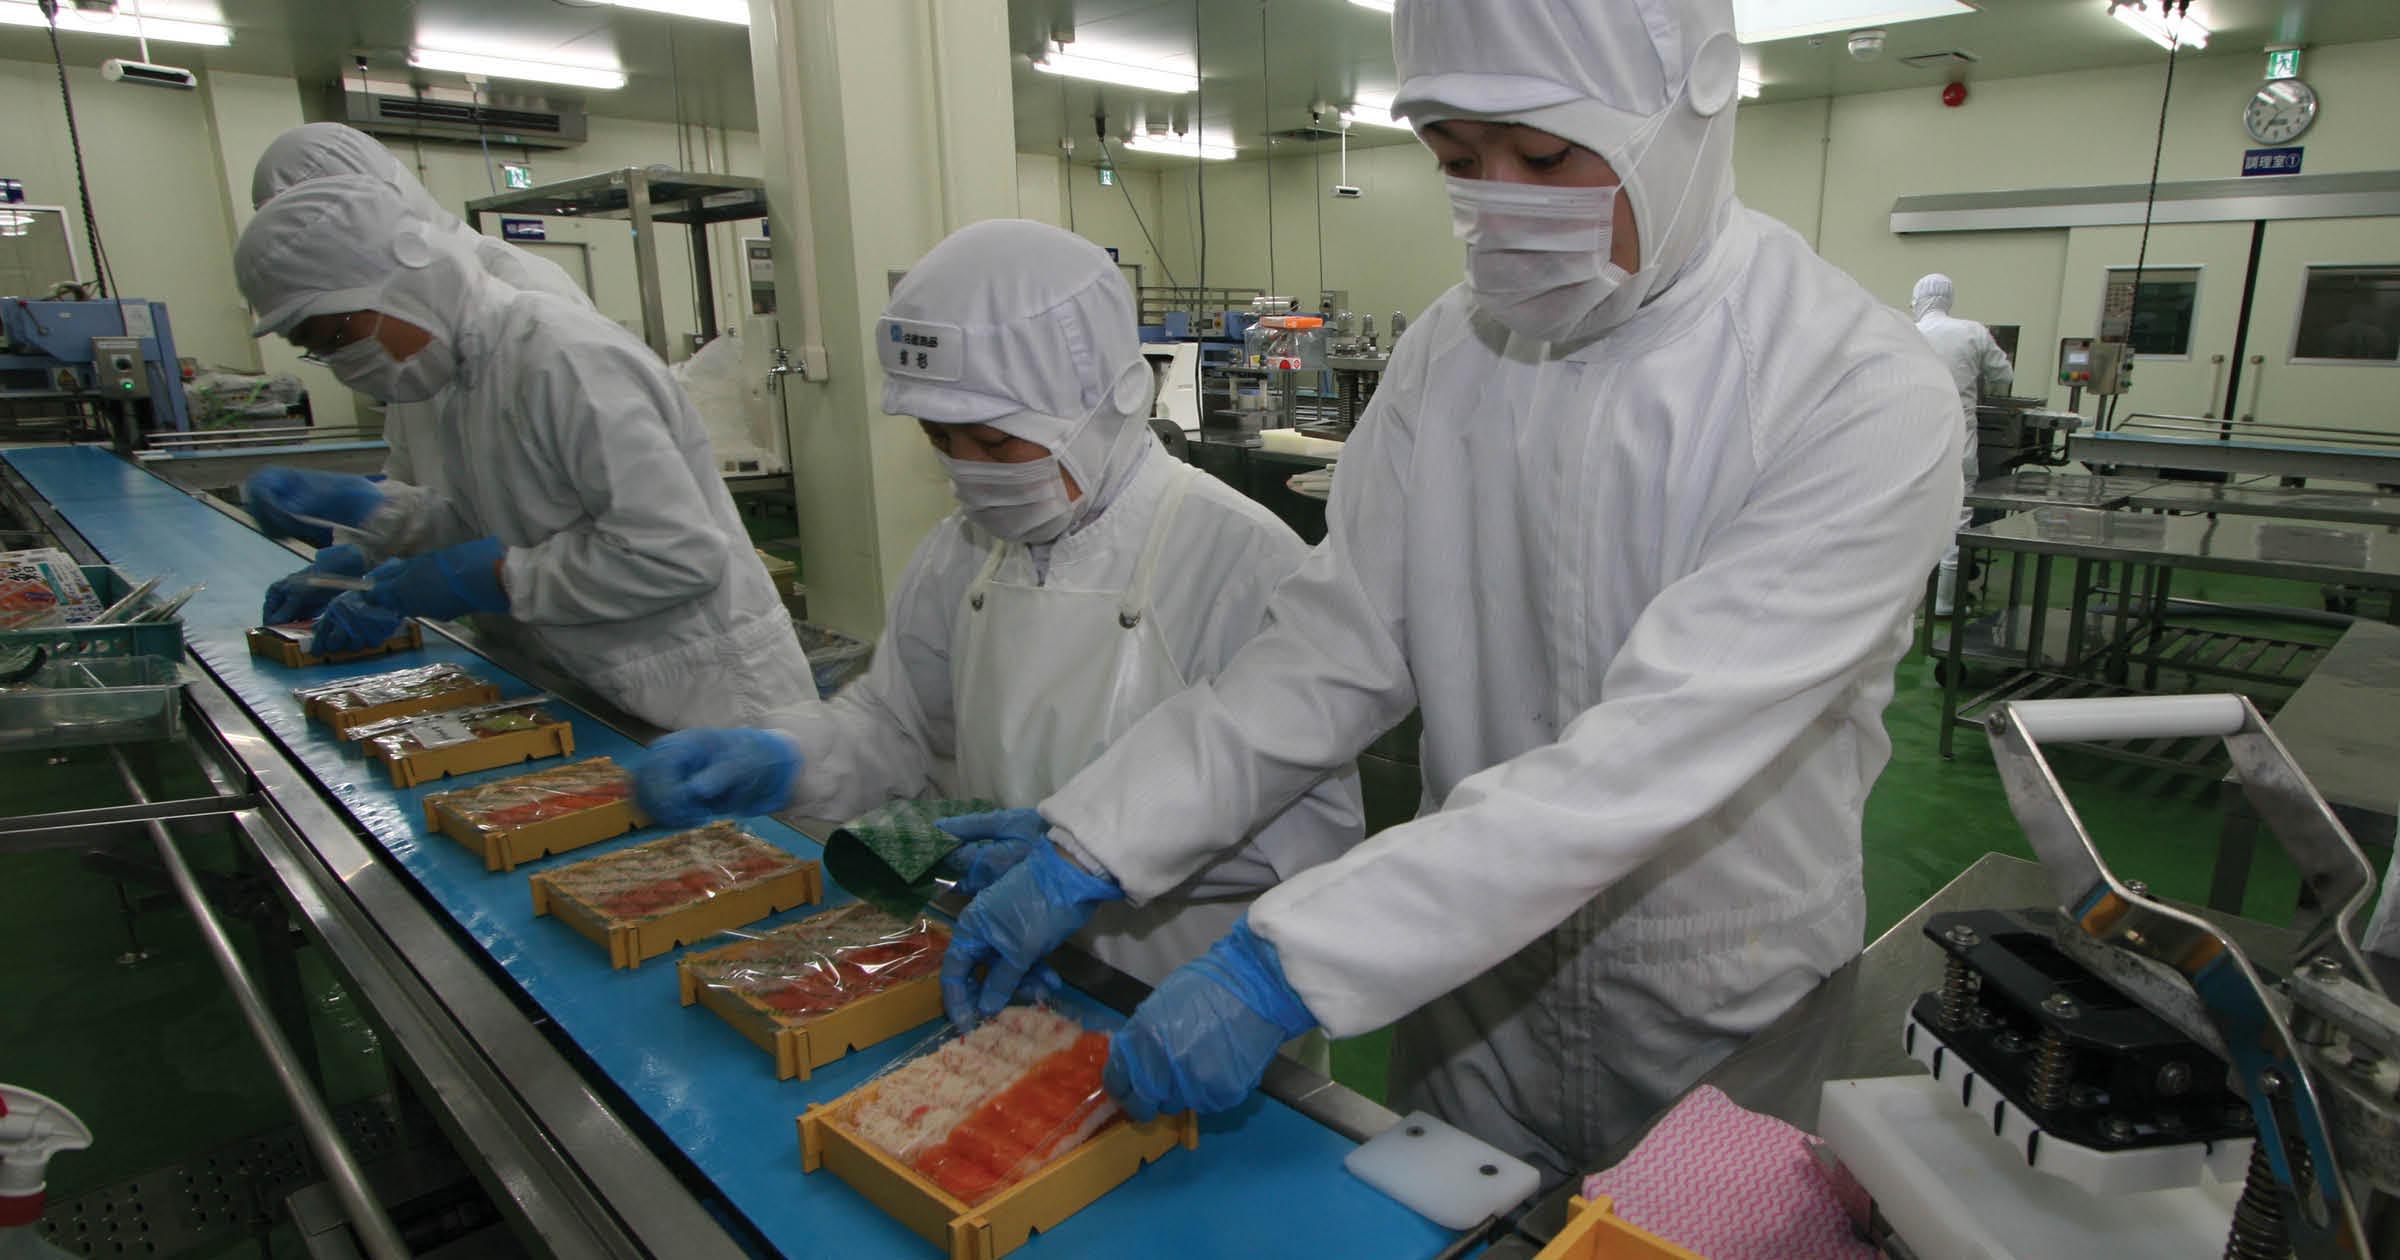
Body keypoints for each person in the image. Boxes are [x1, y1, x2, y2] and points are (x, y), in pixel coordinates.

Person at [936, 0, 1962, 1182]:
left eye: (1544, 155)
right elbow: (1330, 651)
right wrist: (1102, 837)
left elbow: (1644, 757)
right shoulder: (1453, 350)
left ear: (1688, 113)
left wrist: (1289, 963)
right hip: (1473, 990)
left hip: (1717, 1006)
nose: (1500, 203)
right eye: (1458, 160)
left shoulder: (1854, 390)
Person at [633, 219, 1365, 992]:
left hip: (1174, 986)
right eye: (939, 439)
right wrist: (788, 758)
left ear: (1108, 402)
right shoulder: (961, 550)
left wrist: (1089, 859)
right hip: (996, 967)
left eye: (992, 444)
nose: (967, 471)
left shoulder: (1239, 558)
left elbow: (1306, 833)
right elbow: (900, 727)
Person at [233, 176, 814, 729]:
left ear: (400, 282)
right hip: (600, 686)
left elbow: (675, 555)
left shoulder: (564, 357)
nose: (343, 364)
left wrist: (494, 577)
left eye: (338, 337)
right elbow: (498, 523)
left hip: (711, 700)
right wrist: (376, 516)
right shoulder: (462, 377)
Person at [251, 123, 597, 630]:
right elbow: (424, 478)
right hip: (508, 624)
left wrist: (473, 578)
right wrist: (360, 549)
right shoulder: (397, 316)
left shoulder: (526, 298)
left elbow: (604, 526)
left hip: (583, 622)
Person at [1911, 273, 2013, 616]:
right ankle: (1944, 602)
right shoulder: (1973, 332)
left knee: (1910, 518)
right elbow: (2004, 377)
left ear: (1918, 298)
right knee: (1957, 520)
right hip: (1959, 442)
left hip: (1913, 443)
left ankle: (1905, 603)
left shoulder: (1908, 332)